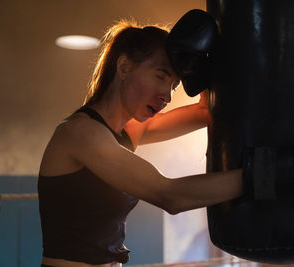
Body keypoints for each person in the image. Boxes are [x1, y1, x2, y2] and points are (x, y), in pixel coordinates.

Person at [38, 20, 243, 267]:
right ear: (124, 67)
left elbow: (206, 112)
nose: (167, 96)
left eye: (174, 86)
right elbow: (170, 196)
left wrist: (206, 69)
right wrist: (265, 175)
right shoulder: (81, 133)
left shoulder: (127, 132)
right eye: (160, 77)